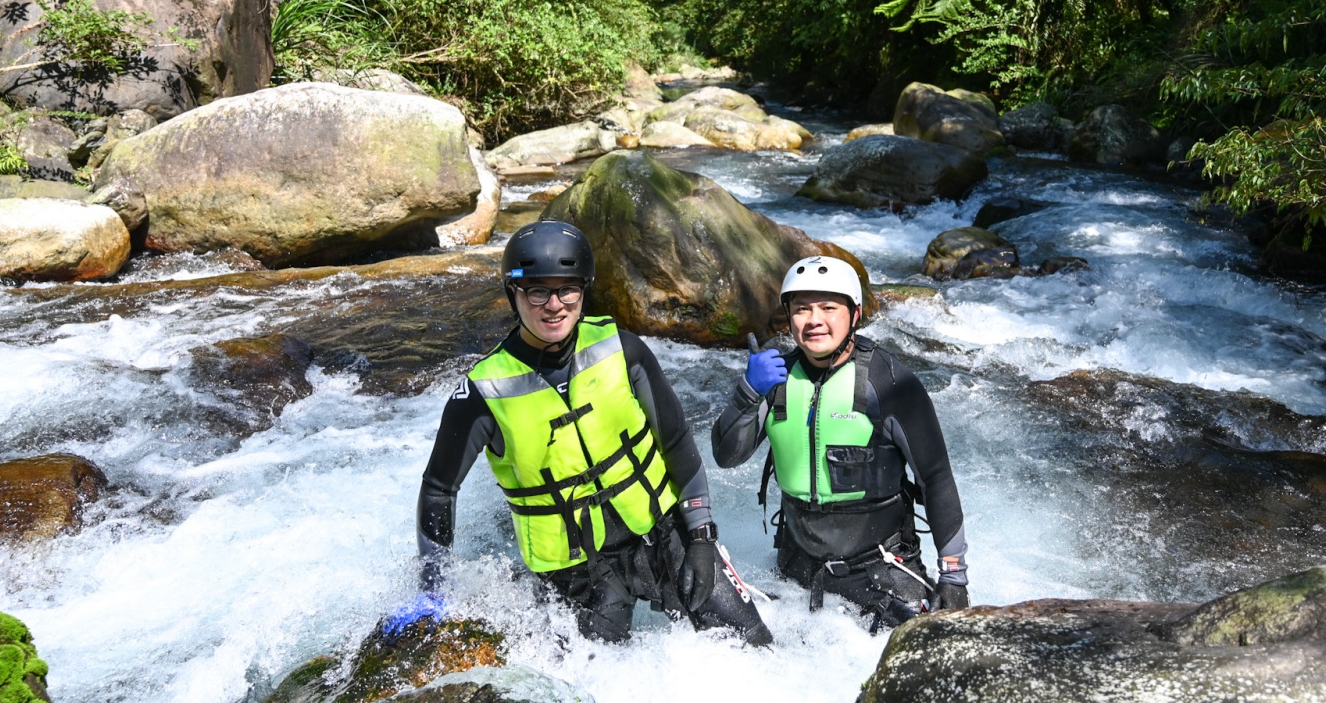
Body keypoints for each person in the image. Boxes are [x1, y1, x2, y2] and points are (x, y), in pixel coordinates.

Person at [410, 221, 771, 646]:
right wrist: (434, 588)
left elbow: (677, 446)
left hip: (662, 536)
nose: (554, 305)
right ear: (514, 295)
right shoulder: (481, 391)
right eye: (537, 291)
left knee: (754, 645)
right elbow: (438, 489)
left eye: (568, 289)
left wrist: (701, 538)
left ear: (583, 291)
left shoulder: (624, 349)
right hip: (575, 573)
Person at [711, 255, 970, 630]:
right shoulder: (774, 381)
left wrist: (953, 576)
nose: (814, 320)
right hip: (797, 568)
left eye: (828, 308)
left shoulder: (889, 382)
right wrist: (747, 393)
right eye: (801, 309)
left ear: (855, 314)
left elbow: (936, 478)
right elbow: (725, 456)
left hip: (881, 573)